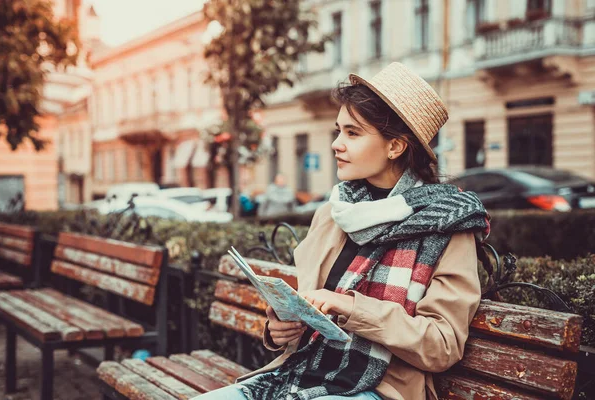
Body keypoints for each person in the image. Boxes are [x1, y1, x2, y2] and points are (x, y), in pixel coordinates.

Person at [198, 62, 489, 399]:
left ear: (395, 146)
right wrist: (281, 327)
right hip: (300, 374)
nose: (336, 144)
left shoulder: (448, 225)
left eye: (352, 133)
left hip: (376, 389)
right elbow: (313, 308)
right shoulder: (336, 212)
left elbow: (442, 345)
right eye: (338, 131)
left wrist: (350, 307)